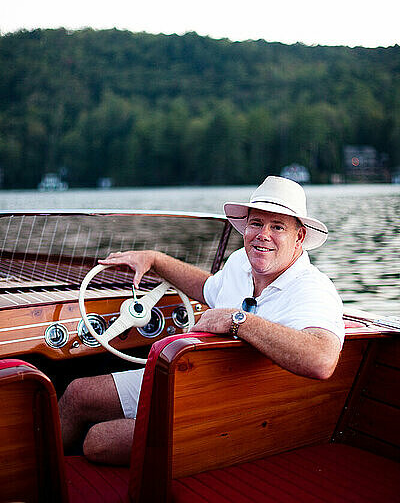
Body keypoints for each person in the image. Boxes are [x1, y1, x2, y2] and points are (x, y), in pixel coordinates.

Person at [59, 176, 344, 466]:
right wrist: (155, 259)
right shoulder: (240, 263)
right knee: (77, 395)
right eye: (256, 223)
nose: (263, 235)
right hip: (192, 384)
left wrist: (238, 321)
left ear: (299, 237)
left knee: (98, 440)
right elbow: (206, 287)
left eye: (277, 227)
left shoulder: (312, 289)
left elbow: (322, 359)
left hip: (238, 416)